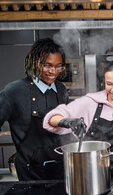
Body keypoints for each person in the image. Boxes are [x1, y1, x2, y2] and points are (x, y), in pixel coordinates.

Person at [43, 61, 113, 176]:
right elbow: (51, 119)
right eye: (109, 84)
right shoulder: (90, 102)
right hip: (89, 173)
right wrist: (66, 121)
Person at [0, 38, 70, 181]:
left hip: (60, 170)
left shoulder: (61, 90)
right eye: (47, 65)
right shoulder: (14, 91)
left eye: (58, 66)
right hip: (30, 172)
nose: (53, 71)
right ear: (35, 62)